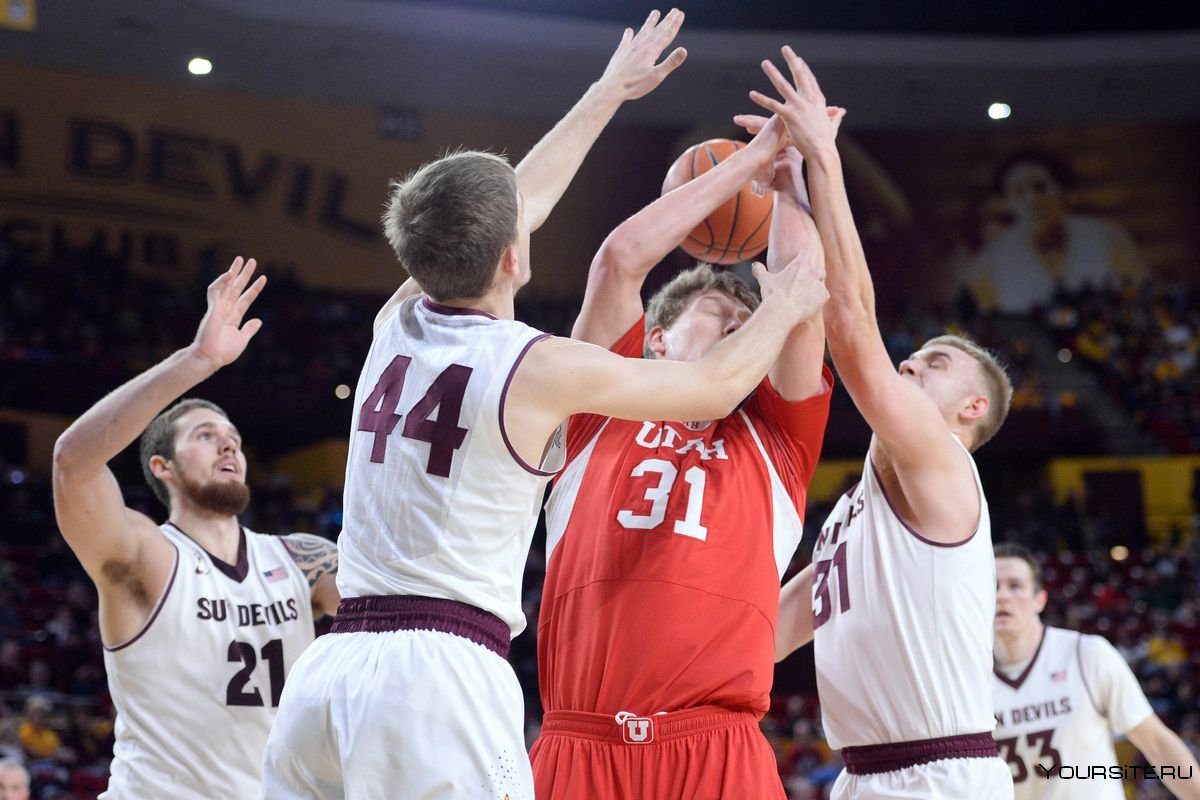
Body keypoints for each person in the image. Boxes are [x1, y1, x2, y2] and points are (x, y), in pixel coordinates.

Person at [259, 10, 830, 800]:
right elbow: (705, 376)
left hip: (335, 667)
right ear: (513, 255)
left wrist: (605, 95)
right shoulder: (541, 367)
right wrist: (783, 296)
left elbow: (515, 208)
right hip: (445, 673)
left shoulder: (394, 324)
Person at [528, 114, 833, 800]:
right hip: (580, 741)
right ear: (656, 341)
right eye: (719, 308)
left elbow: (802, 295)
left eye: (747, 319)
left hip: (717, 745)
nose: (737, 321)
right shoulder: (596, 407)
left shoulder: (779, 438)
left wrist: (787, 183)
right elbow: (618, 262)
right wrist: (739, 166)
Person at [759, 48, 1015, 798]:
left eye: (935, 364)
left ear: (972, 411)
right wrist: (787, 187)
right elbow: (781, 624)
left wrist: (824, 160)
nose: (911, 364)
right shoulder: (857, 513)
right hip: (864, 775)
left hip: (940, 775)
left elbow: (852, 326)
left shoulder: (943, 464)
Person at [51, 256, 340, 799]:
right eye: (206, 435)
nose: (228, 442)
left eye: (231, 435)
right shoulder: (149, 557)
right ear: (163, 467)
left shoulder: (303, 559)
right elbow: (73, 462)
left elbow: (395, 612)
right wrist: (198, 359)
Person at [992, 542, 1200, 799]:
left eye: (1015, 586)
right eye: (992, 587)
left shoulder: (1087, 654)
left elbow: (1156, 742)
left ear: (1040, 599)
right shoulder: (966, 676)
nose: (1002, 596)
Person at [961, 151, 1147, 313]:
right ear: (1006, 203)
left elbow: (1145, 296)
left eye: (1040, 187)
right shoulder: (994, 258)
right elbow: (968, 316)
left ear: (1063, 190)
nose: (1032, 200)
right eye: (1018, 192)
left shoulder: (1104, 237)